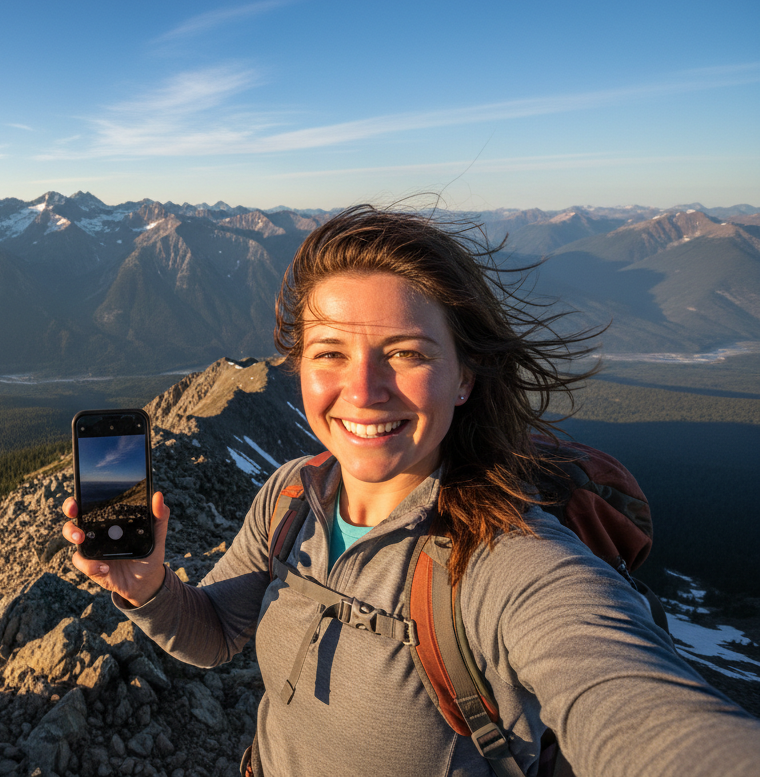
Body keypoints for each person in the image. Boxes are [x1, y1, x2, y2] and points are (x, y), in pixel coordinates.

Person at [61, 205, 760, 776]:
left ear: (464, 378)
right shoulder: (289, 497)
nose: (363, 390)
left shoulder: (508, 562)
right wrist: (148, 587)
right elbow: (216, 635)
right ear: (297, 367)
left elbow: (631, 704)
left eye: (406, 353)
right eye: (330, 353)